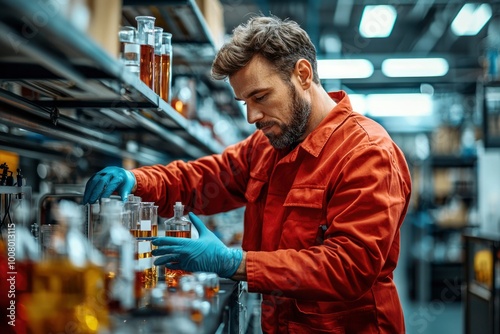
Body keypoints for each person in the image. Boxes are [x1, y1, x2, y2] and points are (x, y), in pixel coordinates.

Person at [84, 15, 411, 333]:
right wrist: (138, 181)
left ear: (303, 74)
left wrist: (234, 262)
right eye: (244, 103)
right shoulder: (268, 145)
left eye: (261, 97)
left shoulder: (367, 153)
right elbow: (204, 179)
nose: (252, 116)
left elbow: (348, 267)